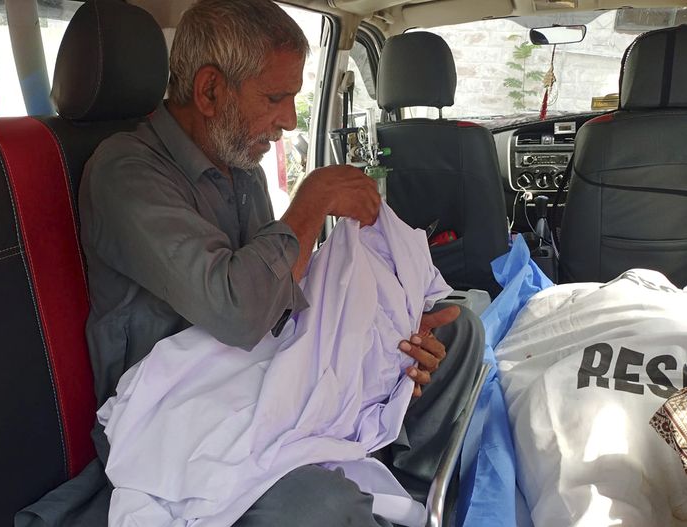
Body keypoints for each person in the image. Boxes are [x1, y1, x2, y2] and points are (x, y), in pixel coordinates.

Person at [74, 0, 483, 525]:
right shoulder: (126, 172)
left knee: (457, 332)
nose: (289, 120)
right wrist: (312, 203)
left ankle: (401, 498)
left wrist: (387, 335)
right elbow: (239, 312)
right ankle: (361, 495)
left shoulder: (240, 170)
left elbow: (282, 306)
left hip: (264, 378)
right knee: (324, 506)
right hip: (177, 420)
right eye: (275, 98)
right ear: (210, 91)